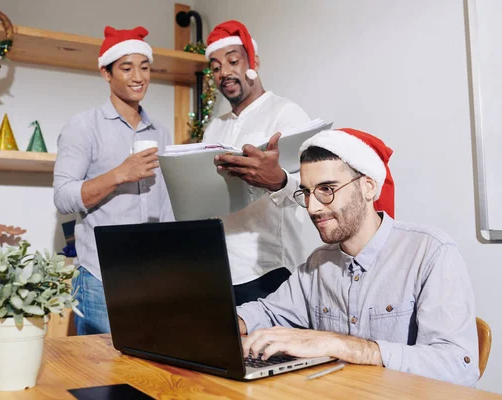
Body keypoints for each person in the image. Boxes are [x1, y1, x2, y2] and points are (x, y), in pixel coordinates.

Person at [237, 128, 479, 386]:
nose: (312, 207)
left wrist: (338, 344)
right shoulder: (318, 264)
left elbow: (458, 366)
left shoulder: (431, 252)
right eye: (307, 192)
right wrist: (220, 325)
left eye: (327, 189)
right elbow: (267, 312)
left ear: (368, 187)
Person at [53, 26, 174, 335]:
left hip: (153, 274)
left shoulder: (160, 132)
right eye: (126, 68)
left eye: (144, 67)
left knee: (150, 371)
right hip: (100, 276)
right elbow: (63, 197)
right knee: (98, 374)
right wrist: (120, 174)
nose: (138, 76)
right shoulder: (82, 126)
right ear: (106, 73)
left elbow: (167, 202)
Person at [202, 20, 313, 305]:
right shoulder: (214, 127)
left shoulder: (287, 115)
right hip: (220, 270)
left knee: (269, 350)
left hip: (269, 268)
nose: (224, 72)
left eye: (233, 60)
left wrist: (279, 180)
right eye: (215, 67)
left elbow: (313, 191)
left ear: (254, 61)